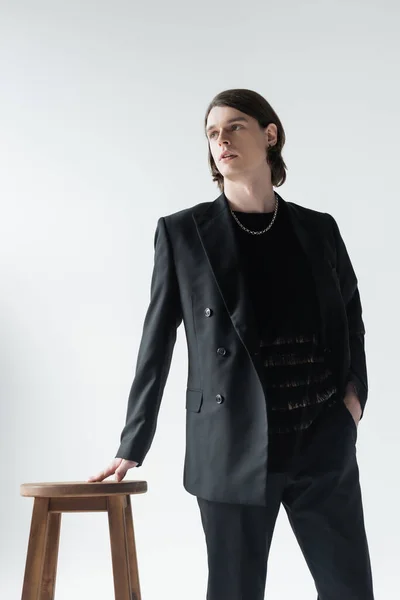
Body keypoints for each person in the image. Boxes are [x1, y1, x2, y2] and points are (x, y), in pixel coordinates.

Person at [88, 88, 374, 599]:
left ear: (270, 134)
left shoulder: (317, 229)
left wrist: (352, 395)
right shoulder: (183, 233)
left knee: (350, 590)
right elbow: (156, 342)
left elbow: (350, 314)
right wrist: (132, 443)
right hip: (232, 445)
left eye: (234, 126)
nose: (221, 140)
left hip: (321, 442)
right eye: (212, 133)